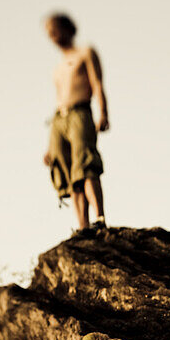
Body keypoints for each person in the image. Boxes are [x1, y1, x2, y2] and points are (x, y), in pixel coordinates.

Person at [43, 13, 109, 231]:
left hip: (81, 112)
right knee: (68, 172)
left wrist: (104, 113)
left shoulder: (85, 53)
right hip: (59, 119)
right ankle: (83, 227)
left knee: (86, 165)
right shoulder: (58, 68)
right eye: (49, 32)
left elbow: (97, 84)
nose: (52, 35)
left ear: (67, 29)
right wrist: (49, 146)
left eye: (55, 29)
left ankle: (99, 219)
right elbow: (58, 99)